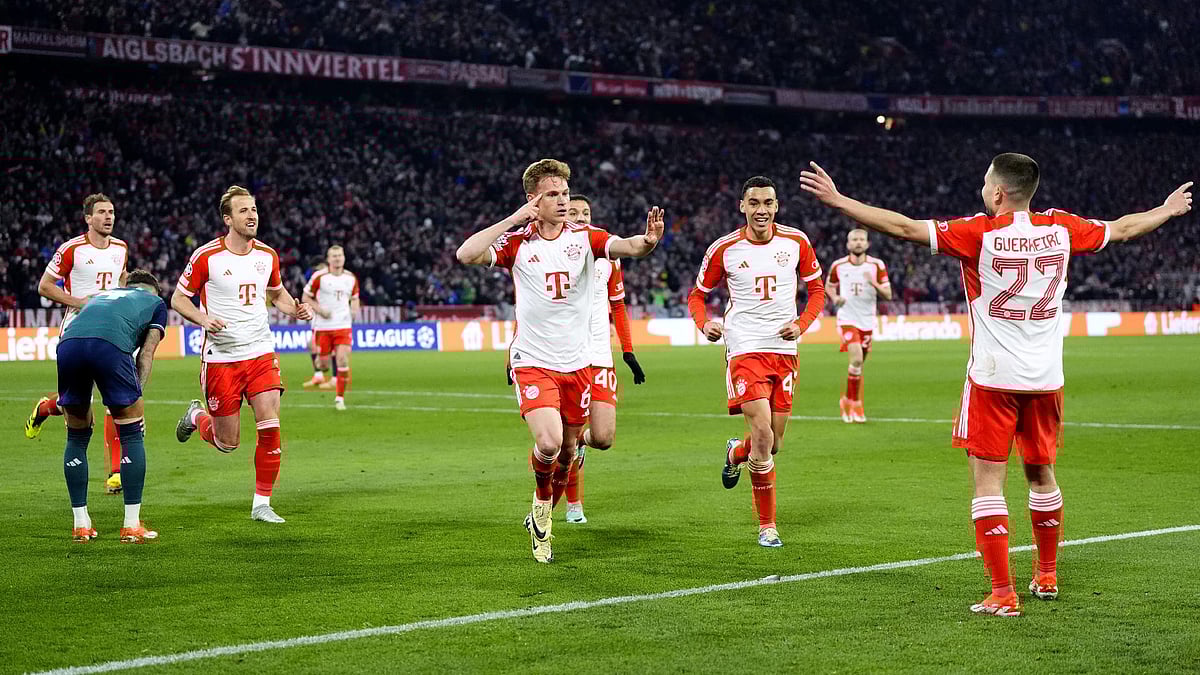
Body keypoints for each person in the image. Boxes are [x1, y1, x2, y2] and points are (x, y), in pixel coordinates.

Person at [800, 154, 1192, 616]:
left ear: (999, 193)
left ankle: (1003, 592)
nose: (983, 190)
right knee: (1041, 473)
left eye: (986, 183)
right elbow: (1124, 228)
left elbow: (904, 228)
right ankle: (1046, 574)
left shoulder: (977, 233)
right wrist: (1166, 210)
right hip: (1046, 379)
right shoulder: (1062, 228)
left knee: (988, 482)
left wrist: (840, 201)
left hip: (992, 378)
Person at [456, 158, 663, 563]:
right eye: (553, 194)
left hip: (579, 363)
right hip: (534, 361)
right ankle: (541, 509)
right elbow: (466, 254)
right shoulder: (518, 243)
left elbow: (630, 246)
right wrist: (514, 219)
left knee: (568, 451)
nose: (563, 200)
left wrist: (649, 241)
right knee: (549, 443)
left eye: (565, 193)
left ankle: (544, 511)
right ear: (533, 199)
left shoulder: (586, 238)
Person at [687, 176, 826, 548]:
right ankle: (767, 526)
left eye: (767, 203)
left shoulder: (796, 242)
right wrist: (704, 324)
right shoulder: (725, 248)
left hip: (784, 351)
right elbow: (697, 295)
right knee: (763, 436)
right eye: (754, 203)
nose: (761, 210)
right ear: (742, 206)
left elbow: (817, 290)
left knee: (772, 444)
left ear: (776, 206)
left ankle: (736, 452)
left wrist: (802, 324)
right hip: (745, 348)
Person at [170, 185, 313, 523]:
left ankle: (262, 504)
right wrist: (203, 319)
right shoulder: (206, 257)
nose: (252, 216)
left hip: (260, 352)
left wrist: (295, 308)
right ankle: (196, 416)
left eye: (254, 210)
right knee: (227, 443)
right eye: (244, 211)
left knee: (270, 424)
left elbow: (277, 293)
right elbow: (178, 299)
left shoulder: (267, 255)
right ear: (228, 219)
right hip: (222, 358)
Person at [26, 193, 129, 496]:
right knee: (77, 407)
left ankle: (116, 472)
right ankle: (46, 407)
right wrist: (79, 302)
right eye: (102, 212)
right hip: (77, 333)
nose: (108, 217)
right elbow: (45, 286)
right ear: (88, 218)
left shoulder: (121, 248)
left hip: (111, 334)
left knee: (116, 402)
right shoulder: (72, 249)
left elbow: (122, 279)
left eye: (111, 212)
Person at [55, 269, 168, 543]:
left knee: (76, 435)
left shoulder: (102, 295)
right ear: (153, 290)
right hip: (109, 346)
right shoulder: (156, 303)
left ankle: (81, 525)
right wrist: (135, 398)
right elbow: (147, 353)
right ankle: (131, 525)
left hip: (68, 345)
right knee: (131, 433)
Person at [553, 194, 646, 525]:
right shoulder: (553, 251)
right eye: (574, 211)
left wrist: (628, 351)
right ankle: (572, 505)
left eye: (586, 212)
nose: (581, 217)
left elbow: (618, 305)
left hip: (600, 354)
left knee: (602, 438)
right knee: (564, 441)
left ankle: (582, 444)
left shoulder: (608, 252)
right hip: (564, 355)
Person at [826, 229, 891, 423]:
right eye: (854, 239)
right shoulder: (838, 265)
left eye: (862, 239)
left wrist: (874, 283)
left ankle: (848, 399)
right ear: (848, 244)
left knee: (859, 365)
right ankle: (854, 404)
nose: (858, 242)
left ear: (867, 244)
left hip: (867, 321)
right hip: (847, 319)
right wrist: (835, 298)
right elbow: (829, 286)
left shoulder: (877, 265)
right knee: (856, 359)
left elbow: (888, 294)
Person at [302, 247, 360, 410]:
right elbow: (306, 297)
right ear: (328, 259)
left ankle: (340, 398)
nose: (337, 258)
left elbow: (355, 298)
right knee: (324, 365)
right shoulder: (319, 277)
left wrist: (354, 310)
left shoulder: (351, 278)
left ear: (344, 258)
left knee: (342, 359)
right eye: (334, 256)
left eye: (340, 255)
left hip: (343, 325)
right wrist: (320, 310)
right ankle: (320, 372)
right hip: (323, 327)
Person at [301, 261, 332, 390]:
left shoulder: (331, 282)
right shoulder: (316, 281)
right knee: (311, 345)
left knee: (332, 349)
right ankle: (319, 375)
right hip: (318, 318)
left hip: (328, 320)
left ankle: (334, 377)